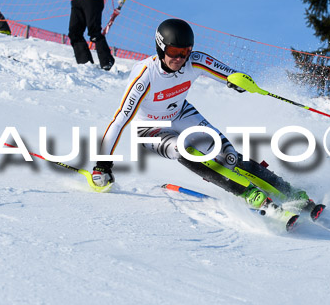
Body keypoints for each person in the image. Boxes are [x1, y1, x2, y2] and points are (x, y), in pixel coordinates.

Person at [91, 18, 312, 212]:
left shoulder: (193, 61)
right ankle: (249, 194)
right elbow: (119, 121)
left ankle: (290, 192)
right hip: (150, 129)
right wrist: (102, 165)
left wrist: (239, 81)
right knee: (184, 150)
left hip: (181, 114)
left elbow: (229, 74)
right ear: (161, 48)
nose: (179, 59)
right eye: (173, 52)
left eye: (185, 52)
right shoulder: (145, 76)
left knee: (228, 156)